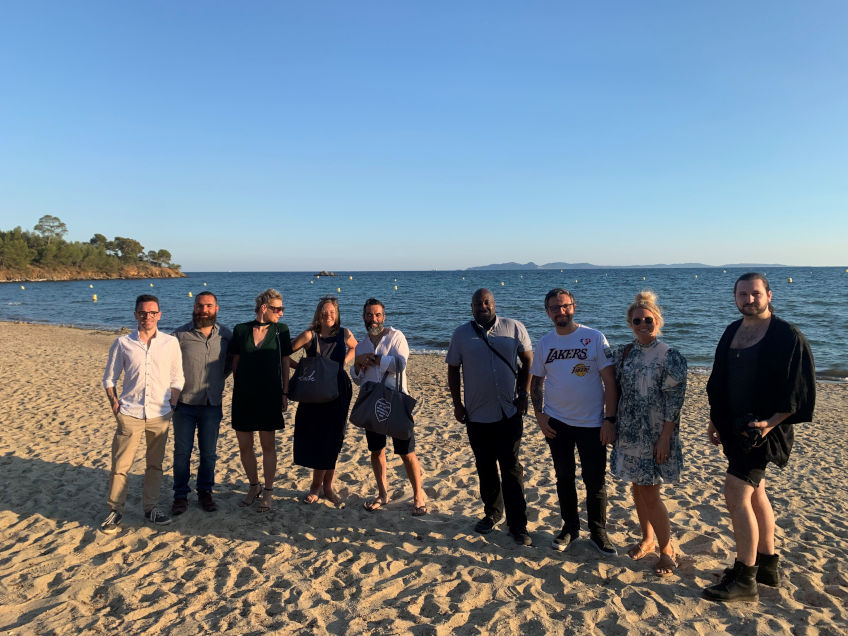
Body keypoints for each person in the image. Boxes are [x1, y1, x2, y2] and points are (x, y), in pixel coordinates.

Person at [703, 273, 815, 602]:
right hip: (733, 427)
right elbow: (720, 378)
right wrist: (714, 419)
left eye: (755, 294)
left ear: (768, 294)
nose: (749, 300)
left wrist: (769, 423)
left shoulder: (786, 336)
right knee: (756, 494)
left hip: (762, 432)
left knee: (736, 495)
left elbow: (799, 389)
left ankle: (745, 576)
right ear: (735, 297)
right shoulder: (732, 331)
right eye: (743, 294)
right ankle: (767, 565)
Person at [529, 288, 618, 555]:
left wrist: (610, 419)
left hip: (592, 423)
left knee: (595, 480)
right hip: (557, 423)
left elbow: (610, 383)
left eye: (565, 306)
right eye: (554, 308)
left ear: (574, 307)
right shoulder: (545, 343)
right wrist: (540, 415)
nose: (560, 312)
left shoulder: (593, 338)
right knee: (564, 477)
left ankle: (598, 531)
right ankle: (570, 527)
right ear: (547, 312)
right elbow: (536, 383)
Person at [447, 288, 533, 546]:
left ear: (494, 304)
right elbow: (453, 369)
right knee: (485, 467)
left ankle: (518, 525)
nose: (482, 306)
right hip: (476, 414)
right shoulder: (461, 334)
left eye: (486, 302)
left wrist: (524, 393)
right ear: (471, 307)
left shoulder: (514, 328)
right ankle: (492, 513)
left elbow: (528, 360)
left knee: (511, 468)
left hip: (509, 412)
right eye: (477, 303)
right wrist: (457, 404)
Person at [610, 291, 687, 576]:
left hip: (656, 434)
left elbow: (674, 402)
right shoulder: (623, 353)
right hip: (629, 432)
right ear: (630, 324)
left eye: (648, 320)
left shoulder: (670, 356)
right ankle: (647, 538)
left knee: (651, 492)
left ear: (658, 321)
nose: (644, 324)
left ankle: (667, 549)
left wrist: (666, 437)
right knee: (637, 487)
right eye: (637, 320)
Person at [100, 294, 184, 534]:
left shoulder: (170, 343)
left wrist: (174, 400)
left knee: (155, 465)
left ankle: (151, 509)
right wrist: (115, 404)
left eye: (152, 312)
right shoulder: (122, 343)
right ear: (136, 314)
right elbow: (109, 377)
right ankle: (115, 511)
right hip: (130, 413)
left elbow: (178, 376)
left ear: (159, 314)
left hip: (160, 414)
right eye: (143, 312)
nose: (148, 316)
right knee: (120, 465)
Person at [352, 298, 427, 516]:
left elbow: (401, 364)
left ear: (383, 317)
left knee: (407, 452)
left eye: (377, 315)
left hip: (396, 401)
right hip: (372, 403)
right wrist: (357, 366)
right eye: (368, 315)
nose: (373, 319)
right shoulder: (361, 345)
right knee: (376, 451)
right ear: (363, 317)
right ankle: (383, 494)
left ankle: (418, 497)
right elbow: (358, 378)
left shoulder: (396, 336)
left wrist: (376, 359)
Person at [229, 289, 292, 513]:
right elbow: (235, 364)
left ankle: (268, 491)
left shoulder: (280, 331)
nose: (281, 313)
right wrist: (242, 387)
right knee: (245, 446)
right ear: (264, 308)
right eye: (277, 309)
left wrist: (285, 392)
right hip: (244, 396)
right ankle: (253, 486)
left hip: (270, 395)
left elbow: (285, 362)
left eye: (282, 309)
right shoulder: (241, 330)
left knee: (268, 446)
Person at [290, 296, 357, 507]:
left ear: (336, 315)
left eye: (332, 312)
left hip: (339, 390)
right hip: (314, 393)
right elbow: (283, 354)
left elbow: (357, 348)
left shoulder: (343, 333)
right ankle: (315, 487)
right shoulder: (310, 335)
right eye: (325, 312)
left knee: (334, 438)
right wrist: (301, 369)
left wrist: (343, 363)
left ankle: (327, 487)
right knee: (317, 438)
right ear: (319, 313)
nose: (329, 315)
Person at [171, 291, 233, 515]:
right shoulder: (178, 336)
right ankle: (180, 495)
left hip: (211, 404)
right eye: (199, 306)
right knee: (182, 453)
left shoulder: (226, 335)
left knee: (208, 453)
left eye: (208, 306)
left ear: (217, 309)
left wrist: (216, 382)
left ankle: (205, 493)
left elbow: (229, 365)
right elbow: (168, 367)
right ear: (194, 307)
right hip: (184, 405)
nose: (203, 310)